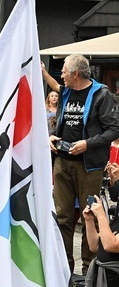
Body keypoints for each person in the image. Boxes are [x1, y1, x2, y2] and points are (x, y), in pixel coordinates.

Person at [41, 55, 119, 273]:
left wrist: (87, 144)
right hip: (63, 162)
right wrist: (52, 136)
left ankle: (89, 270)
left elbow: (114, 129)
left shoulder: (101, 94)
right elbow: (63, 122)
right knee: (62, 217)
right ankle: (63, 270)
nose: (62, 75)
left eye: (64, 71)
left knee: (90, 216)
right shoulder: (66, 92)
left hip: (89, 166)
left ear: (75, 74)